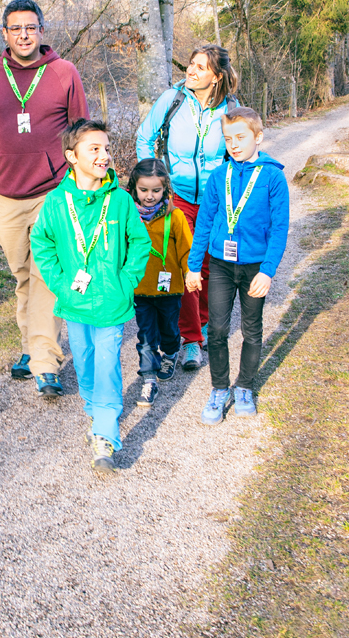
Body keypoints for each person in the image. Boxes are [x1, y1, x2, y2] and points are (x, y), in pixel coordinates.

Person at [0, 0, 88, 384]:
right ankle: (31, 345)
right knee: (23, 274)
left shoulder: (63, 73)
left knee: (46, 274)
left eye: (31, 27)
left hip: (53, 192)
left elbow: (83, 132)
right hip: (5, 194)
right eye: (16, 29)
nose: (24, 35)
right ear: (5, 34)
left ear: (42, 31)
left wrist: (93, 183)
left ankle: (44, 363)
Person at [30, 119, 151, 473]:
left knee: (107, 365)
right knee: (83, 362)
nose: (104, 156)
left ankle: (105, 434)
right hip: (75, 302)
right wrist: (61, 284)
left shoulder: (120, 201)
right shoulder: (55, 203)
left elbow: (139, 244)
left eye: (107, 149)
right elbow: (42, 244)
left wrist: (125, 282)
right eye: (94, 149)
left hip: (112, 303)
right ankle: (93, 411)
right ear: (72, 156)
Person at [134, 45, 239, 372]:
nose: (190, 71)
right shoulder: (173, 100)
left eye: (200, 67)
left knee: (209, 265)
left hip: (214, 199)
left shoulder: (232, 109)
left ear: (216, 77)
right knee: (185, 266)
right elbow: (144, 137)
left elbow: (242, 151)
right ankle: (191, 340)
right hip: (176, 195)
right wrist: (153, 180)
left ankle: (204, 323)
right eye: (191, 65)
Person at [185, 107, 290, 426]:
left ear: (258, 137)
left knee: (251, 328)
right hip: (220, 265)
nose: (233, 144)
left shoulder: (273, 176)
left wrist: (268, 271)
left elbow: (279, 227)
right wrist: (192, 267)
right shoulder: (219, 176)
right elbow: (203, 222)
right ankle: (219, 389)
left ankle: (244, 386)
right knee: (216, 329)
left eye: (240, 137)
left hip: (254, 268)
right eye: (227, 138)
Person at [125, 159, 192, 407]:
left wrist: (190, 272)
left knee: (169, 330)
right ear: (134, 188)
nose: (150, 196)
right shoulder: (129, 216)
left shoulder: (175, 217)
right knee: (145, 336)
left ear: (166, 190)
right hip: (141, 289)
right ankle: (149, 379)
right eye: (144, 190)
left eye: (156, 190)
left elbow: (186, 248)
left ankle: (172, 353)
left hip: (169, 288)